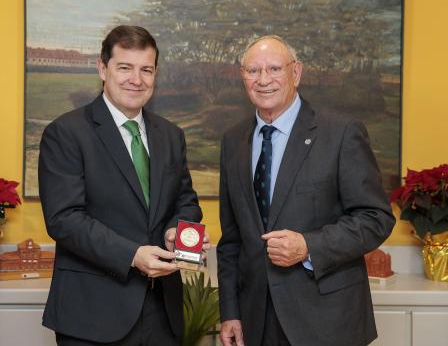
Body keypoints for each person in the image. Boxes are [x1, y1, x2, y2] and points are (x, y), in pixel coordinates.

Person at [217, 35, 395, 346]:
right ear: (242, 76)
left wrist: (308, 247)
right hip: (256, 321)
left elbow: (376, 217)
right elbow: (232, 240)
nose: (263, 80)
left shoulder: (340, 133)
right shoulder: (233, 141)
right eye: (253, 71)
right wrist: (230, 312)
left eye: (274, 69)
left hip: (326, 322)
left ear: (296, 73)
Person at [39, 25, 206, 345]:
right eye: (125, 67)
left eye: (146, 70)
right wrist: (133, 255)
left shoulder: (171, 135)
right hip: (93, 316)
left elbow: (185, 201)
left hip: (162, 313)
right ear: (103, 69)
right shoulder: (67, 133)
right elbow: (64, 219)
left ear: (156, 74)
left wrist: (177, 231)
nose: (136, 79)